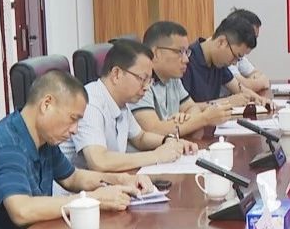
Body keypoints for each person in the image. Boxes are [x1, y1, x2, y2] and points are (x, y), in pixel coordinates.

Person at [0, 70, 154, 229]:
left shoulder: (43, 137)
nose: (75, 130)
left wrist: (120, 179)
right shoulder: (9, 146)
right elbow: (22, 210)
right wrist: (92, 199)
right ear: (46, 105)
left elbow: (73, 178)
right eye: (73, 119)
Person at [60, 39, 199, 171]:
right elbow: (99, 161)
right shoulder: (90, 103)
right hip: (76, 187)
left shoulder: (120, 102)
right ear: (116, 74)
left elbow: (140, 138)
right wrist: (156, 156)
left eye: (149, 81)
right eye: (142, 79)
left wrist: (169, 141)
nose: (147, 87)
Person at [133, 21, 239, 138]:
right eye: (180, 52)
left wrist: (184, 120)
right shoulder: (139, 81)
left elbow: (192, 108)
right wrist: (204, 119)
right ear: (156, 53)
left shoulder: (173, 78)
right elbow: (154, 130)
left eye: (186, 52)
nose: (186, 59)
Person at [181, 16, 265, 106]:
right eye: (235, 56)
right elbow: (184, 108)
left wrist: (259, 99)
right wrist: (227, 102)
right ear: (221, 42)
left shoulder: (218, 63)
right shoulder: (185, 61)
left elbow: (240, 89)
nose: (234, 63)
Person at [225, 8, 271, 93]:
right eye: (252, 37)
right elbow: (243, 86)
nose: (252, 42)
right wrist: (259, 82)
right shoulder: (226, 56)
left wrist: (254, 82)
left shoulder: (238, 55)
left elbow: (257, 73)